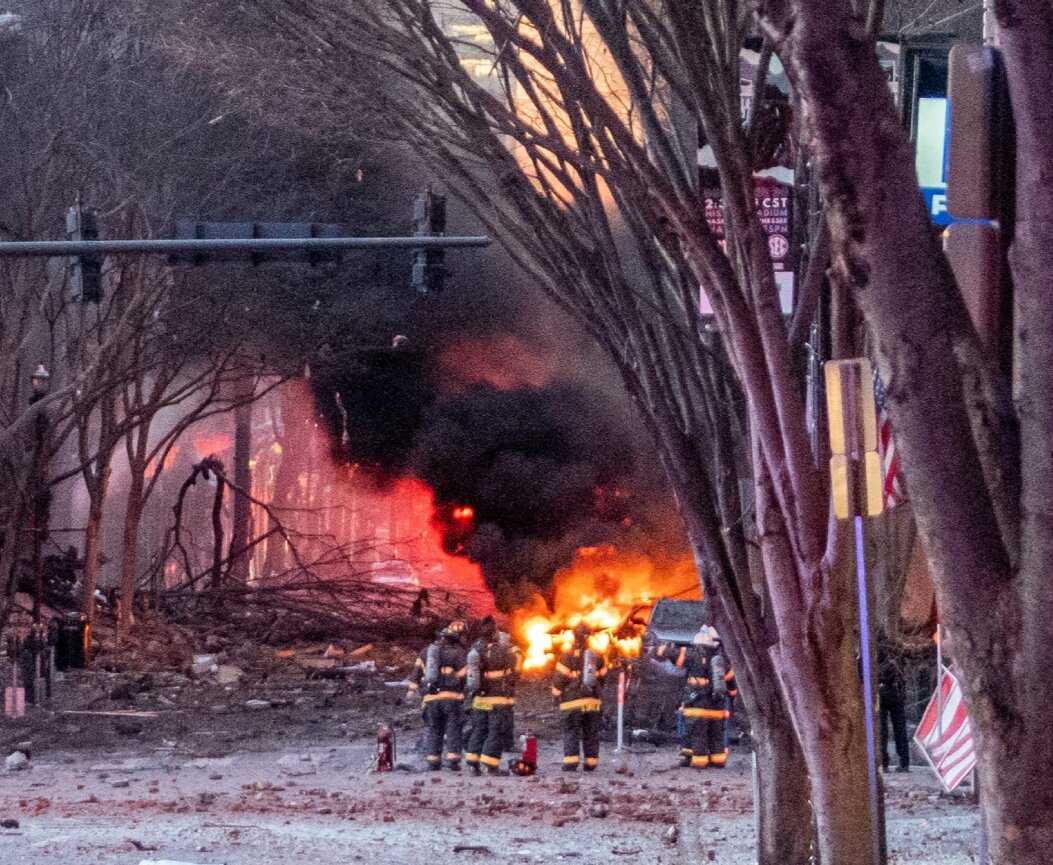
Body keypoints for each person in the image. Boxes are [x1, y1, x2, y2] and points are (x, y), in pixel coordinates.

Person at [408, 621, 468, 771]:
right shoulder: (458, 652)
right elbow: (465, 675)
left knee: (434, 728)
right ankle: (453, 760)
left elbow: (416, 672)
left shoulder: (426, 651)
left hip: (431, 698)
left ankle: (433, 760)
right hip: (451, 698)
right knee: (453, 727)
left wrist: (412, 689)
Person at [465, 617, 519, 776]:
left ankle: (472, 765)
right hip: (497, 700)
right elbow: (515, 665)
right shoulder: (502, 650)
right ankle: (491, 766)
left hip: (479, 700)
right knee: (496, 732)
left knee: (478, 730)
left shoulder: (475, 649)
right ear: (494, 632)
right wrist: (507, 644)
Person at [679, 625, 737, 769]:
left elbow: (675, 657)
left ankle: (699, 762)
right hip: (717, 708)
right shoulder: (722, 662)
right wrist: (732, 696)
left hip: (697, 706)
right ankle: (718, 761)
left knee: (697, 735)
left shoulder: (692, 657)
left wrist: (656, 651)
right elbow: (731, 684)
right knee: (716, 735)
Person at [552, 623, 607, 772]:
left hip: (572, 703)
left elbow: (559, 681)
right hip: (592, 703)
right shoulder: (598, 656)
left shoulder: (566, 656)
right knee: (591, 733)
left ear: (574, 637)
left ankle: (571, 763)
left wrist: (556, 695)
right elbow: (603, 679)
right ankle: (590, 763)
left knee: (571, 732)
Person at [878, 630, 910, 772]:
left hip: (880, 692)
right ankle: (904, 762)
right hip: (896, 692)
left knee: (882, 730)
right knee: (900, 728)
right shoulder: (898, 649)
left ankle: (884, 763)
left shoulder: (873, 650)